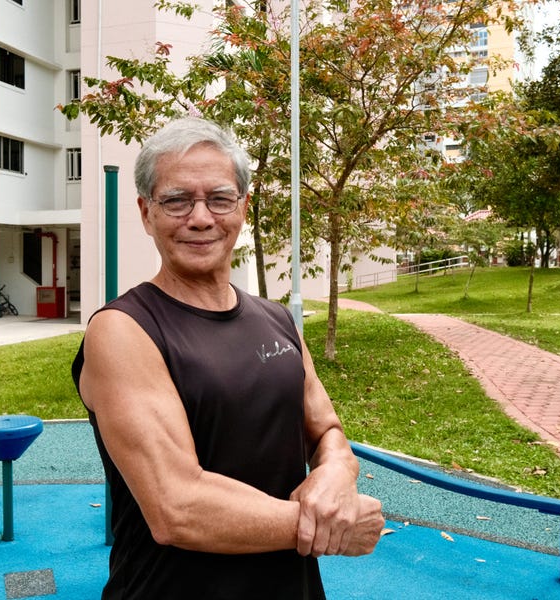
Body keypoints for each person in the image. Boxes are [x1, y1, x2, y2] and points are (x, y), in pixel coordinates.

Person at [71, 117, 384, 599]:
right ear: (145, 212)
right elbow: (177, 508)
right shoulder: (123, 330)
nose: (200, 218)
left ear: (243, 207)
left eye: (219, 198)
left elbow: (326, 430)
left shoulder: (276, 318)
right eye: (176, 200)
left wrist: (337, 475)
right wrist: (327, 527)